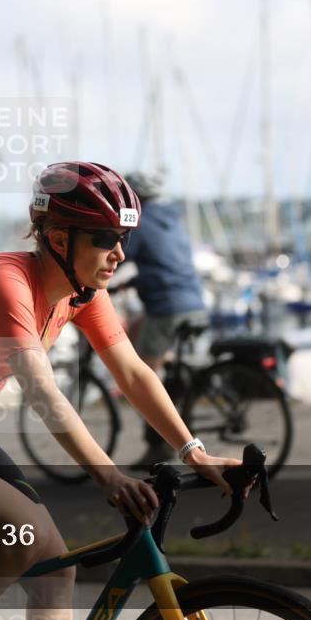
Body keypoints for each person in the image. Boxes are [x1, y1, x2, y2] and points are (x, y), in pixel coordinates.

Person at [0, 162, 242, 620]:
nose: (118, 253)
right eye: (104, 238)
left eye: (123, 239)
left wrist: (194, 452)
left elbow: (134, 373)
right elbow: (42, 391)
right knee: (23, 536)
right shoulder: (6, 282)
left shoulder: (82, 293)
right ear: (59, 240)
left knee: (56, 567)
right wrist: (108, 476)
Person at [122, 170, 210, 469]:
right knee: (137, 333)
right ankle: (172, 380)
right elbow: (163, 262)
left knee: (138, 378)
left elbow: (119, 255)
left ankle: (157, 443)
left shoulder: (141, 222)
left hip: (167, 306)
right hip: (193, 302)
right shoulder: (173, 220)